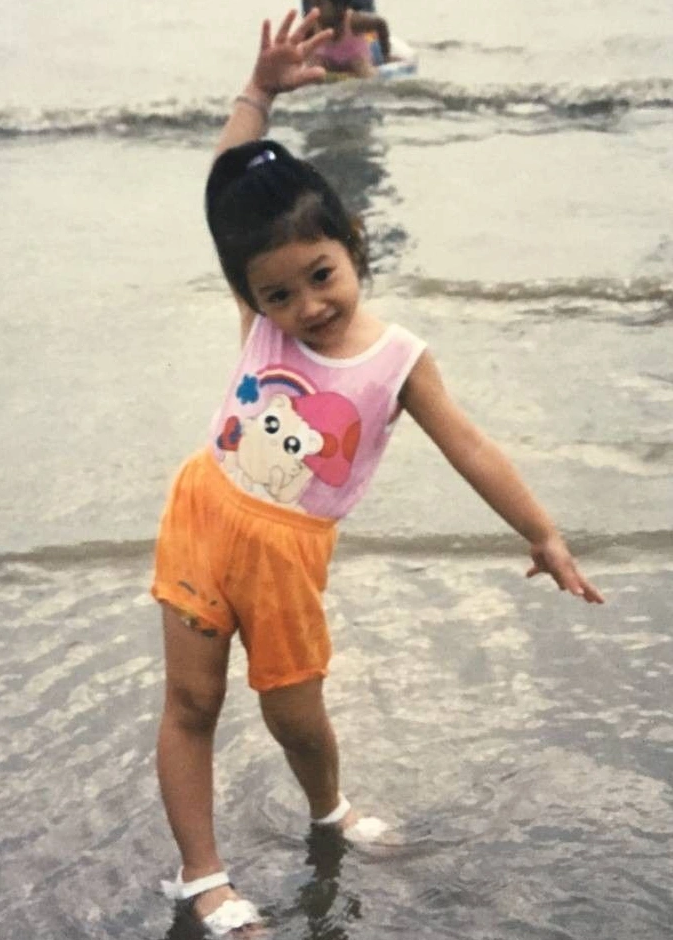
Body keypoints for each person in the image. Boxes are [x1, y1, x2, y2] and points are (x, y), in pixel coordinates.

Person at [152, 9, 604, 937]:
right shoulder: (261, 320)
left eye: (321, 275)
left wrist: (543, 532)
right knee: (191, 701)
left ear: (354, 242)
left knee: (296, 718)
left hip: (288, 557)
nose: (306, 304)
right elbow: (223, 192)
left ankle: (330, 809)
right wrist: (259, 92)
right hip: (204, 514)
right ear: (253, 294)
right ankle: (203, 878)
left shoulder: (397, 359)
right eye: (279, 293)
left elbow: (469, 446)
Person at [306, 0, 391, 74]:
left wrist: (386, 55)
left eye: (319, 4)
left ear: (338, 7)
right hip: (330, 59)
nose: (314, 10)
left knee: (359, 65)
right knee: (315, 63)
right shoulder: (313, 24)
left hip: (356, 57)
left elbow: (380, 23)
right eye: (313, 5)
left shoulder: (354, 21)